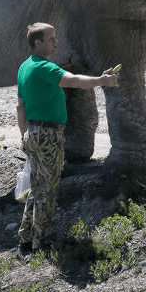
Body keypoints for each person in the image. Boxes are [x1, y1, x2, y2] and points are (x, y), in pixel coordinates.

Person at [17, 23, 118, 254]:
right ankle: (42, 242)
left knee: (36, 188)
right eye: (51, 39)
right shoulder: (44, 67)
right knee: (47, 190)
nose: (56, 42)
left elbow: (20, 107)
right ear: (37, 43)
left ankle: (26, 241)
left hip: (33, 133)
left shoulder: (24, 68)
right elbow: (72, 80)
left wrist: (24, 135)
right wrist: (101, 80)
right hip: (47, 135)